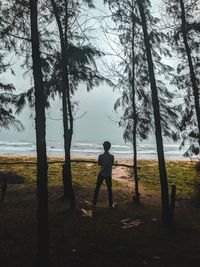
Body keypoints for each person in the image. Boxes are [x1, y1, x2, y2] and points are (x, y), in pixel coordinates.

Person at [93, 141, 114, 208]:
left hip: (101, 173)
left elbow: (99, 164)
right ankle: (110, 204)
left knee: (97, 188)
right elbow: (112, 164)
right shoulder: (112, 156)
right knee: (109, 190)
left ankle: (94, 203)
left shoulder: (101, 156)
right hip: (108, 174)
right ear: (109, 148)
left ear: (103, 147)